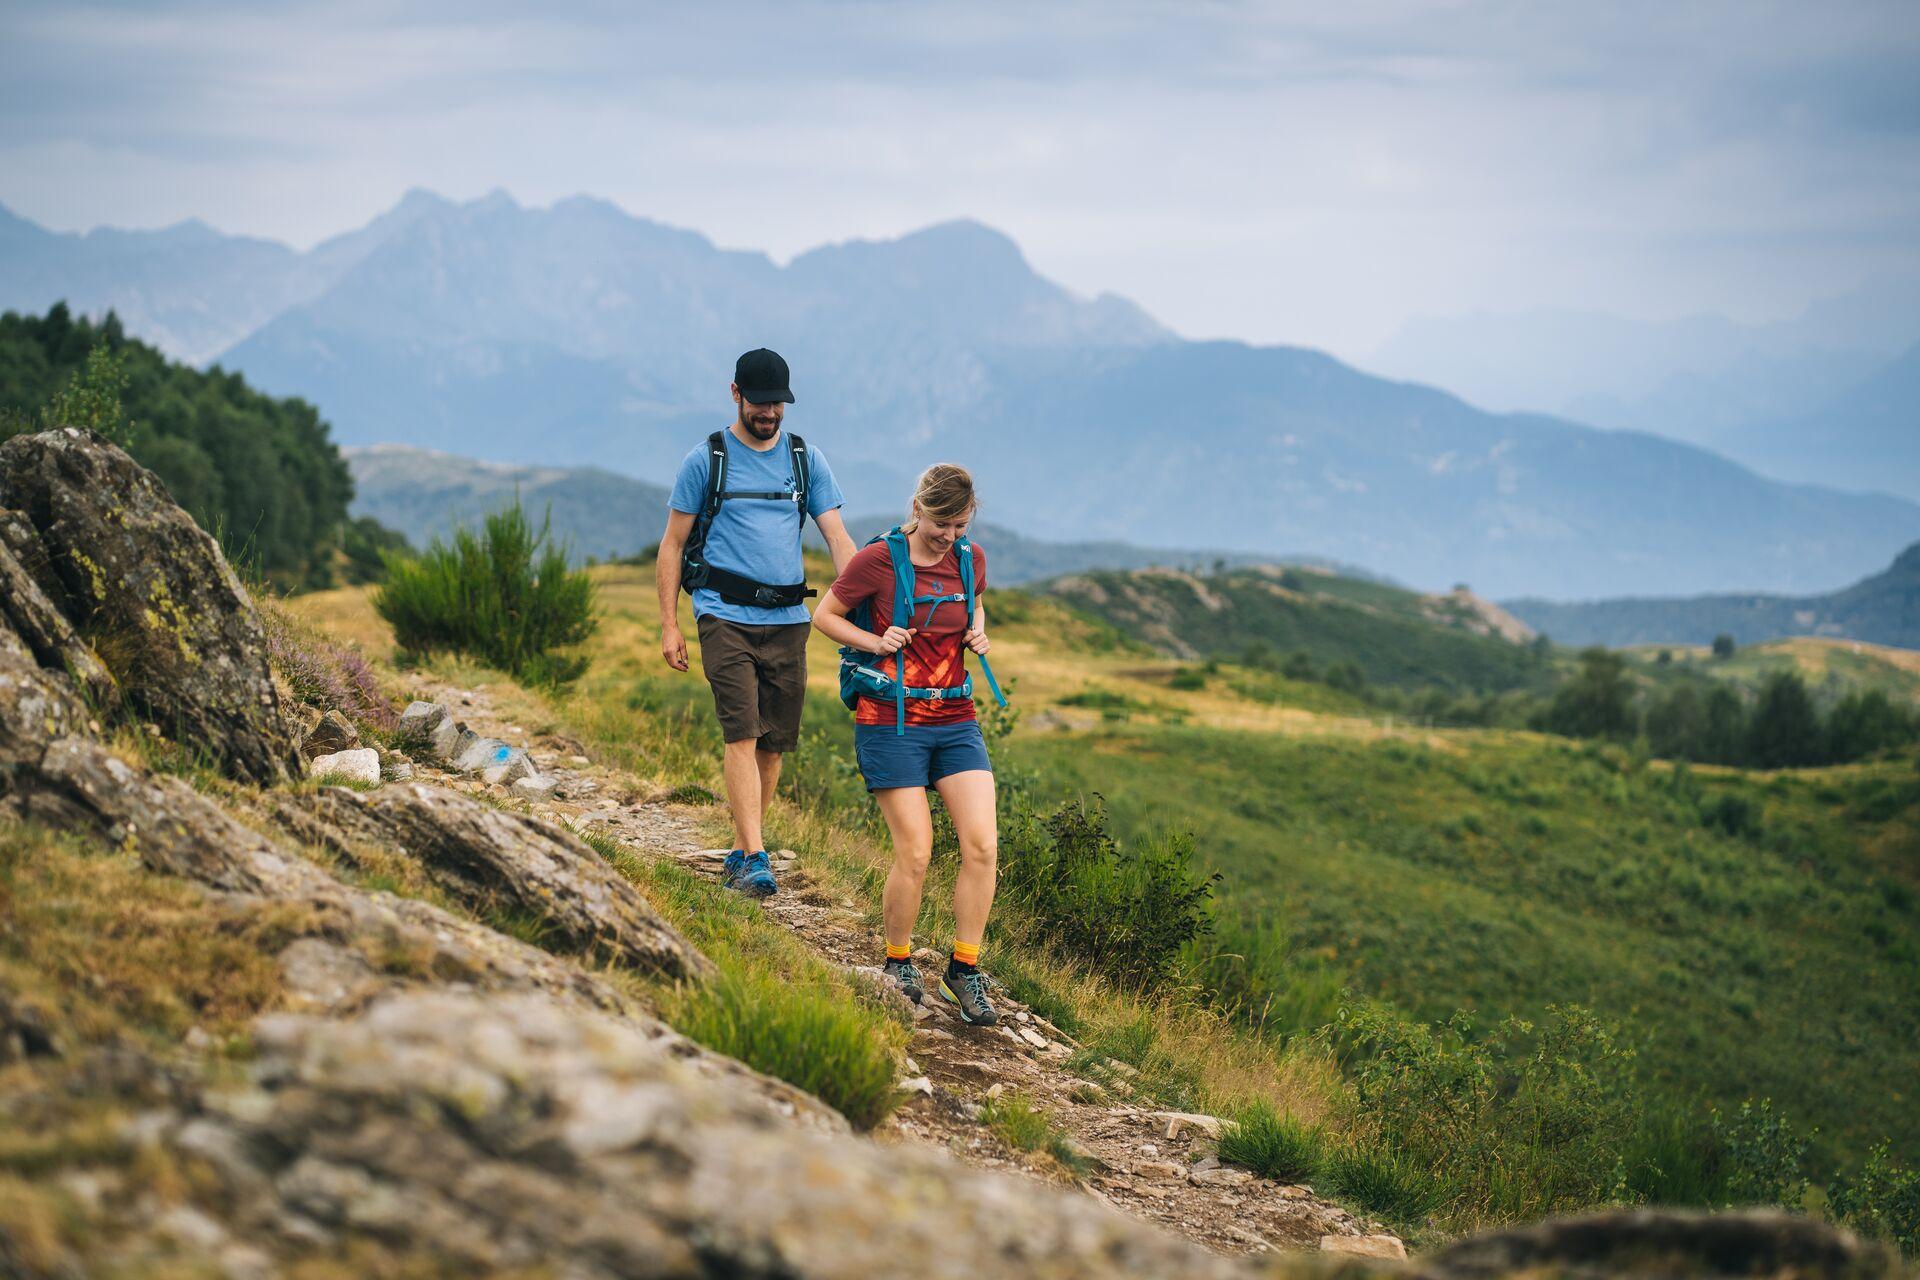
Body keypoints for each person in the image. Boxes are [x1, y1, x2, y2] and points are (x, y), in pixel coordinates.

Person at [657, 348, 858, 897]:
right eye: (760, 402)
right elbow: (672, 544)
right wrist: (670, 625)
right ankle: (753, 855)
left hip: (790, 619)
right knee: (742, 731)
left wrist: (862, 602)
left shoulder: (805, 460)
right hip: (723, 613)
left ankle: (746, 847)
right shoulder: (706, 460)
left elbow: (837, 536)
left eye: (777, 404)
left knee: (773, 744)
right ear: (736, 394)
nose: (769, 413)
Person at [812, 464, 1001, 1024]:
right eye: (942, 524)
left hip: (956, 718)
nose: (950, 536)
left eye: (961, 525)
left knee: (982, 846)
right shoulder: (877, 560)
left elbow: (974, 601)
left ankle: (964, 971)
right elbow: (824, 616)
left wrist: (977, 630)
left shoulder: (970, 558)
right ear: (918, 509)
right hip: (890, 720)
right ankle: (898, 962)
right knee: (916, 852)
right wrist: (875, 640)